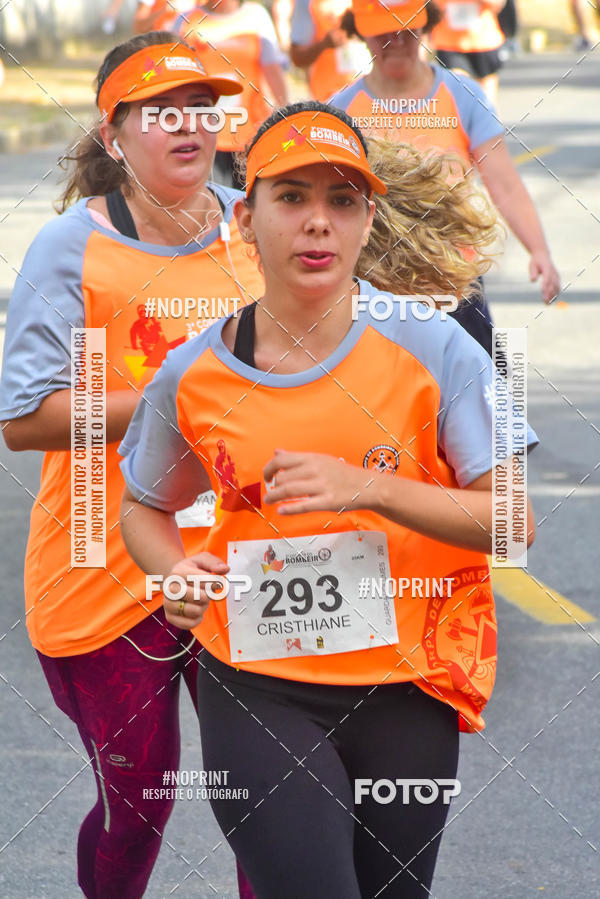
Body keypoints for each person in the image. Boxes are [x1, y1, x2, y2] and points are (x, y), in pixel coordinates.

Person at [119, 100, 538, 898]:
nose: (319, 224)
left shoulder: (435, 344)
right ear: (245, 216)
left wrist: (367, 488)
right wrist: (171, 569)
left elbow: (513, 521)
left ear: (369, 219)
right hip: (254, 683)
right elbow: (143, 505)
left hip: (407, 691)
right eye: (293, 197)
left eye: (342, 201)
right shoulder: (193, 371)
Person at [0, 32, 265, 899]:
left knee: (270, 800)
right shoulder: (67, 248)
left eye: (201, 105)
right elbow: (25, 416)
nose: (189, 124)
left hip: (246, 556)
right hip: (103, 563)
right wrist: (183, 395)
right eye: (161, 110)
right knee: (140, 798)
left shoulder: (259, 225)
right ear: (114, 137)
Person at [330, 0, 560, 355]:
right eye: (384, 34)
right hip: (376, 289)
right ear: (361, 32)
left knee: (490, 399)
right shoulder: (342, 111)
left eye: (408, 31)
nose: (398, 42)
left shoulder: (462, 95)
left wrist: (539, 250)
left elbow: (505, 184)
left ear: (427, 26)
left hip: (454, 279)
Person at [178, 0, 288, 188]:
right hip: (207, 136)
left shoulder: (256, 16)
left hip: (250, 135)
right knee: (215, 208)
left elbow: (273, 72)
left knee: (249, 203)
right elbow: (179, 77)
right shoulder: (188, 21)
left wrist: (285, 118)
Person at [289, 0, 372, 101]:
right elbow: (297, 57)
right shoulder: (306, 3)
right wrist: (324, 44)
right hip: (330, 100)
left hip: (371, 93)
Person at [428, 0, 506, 105]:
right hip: (449, 42)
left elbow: (498, 4)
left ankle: (487, 118)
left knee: (486, 95)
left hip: (483, 41)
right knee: (458, 86)